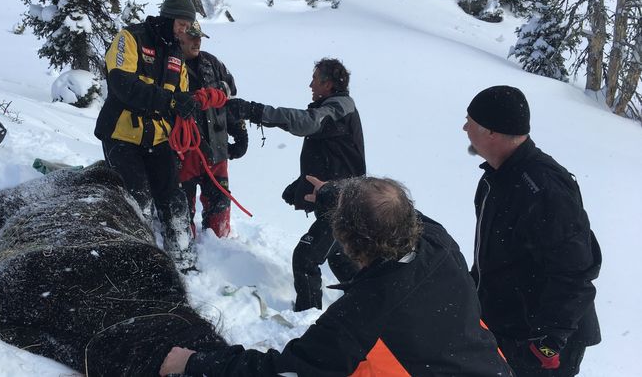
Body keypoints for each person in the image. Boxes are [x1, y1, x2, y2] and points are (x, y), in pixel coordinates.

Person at [159, 176, 513, 377]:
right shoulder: (439, 241)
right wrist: (330, 193)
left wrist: (191, 363)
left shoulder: (362, 315)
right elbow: (384, 207)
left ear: (347, 243)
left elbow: (286, 372)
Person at [463, 85, 602, 376]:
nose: (464, 127)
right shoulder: (497, 177)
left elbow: (575, 272)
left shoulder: (543, 189)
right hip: (507, 324)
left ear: (493, 132)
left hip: (542, 340)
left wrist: (548, 341)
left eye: (471, 122)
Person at [226, 58, 364, 311]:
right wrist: (301, 185)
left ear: (329, 84)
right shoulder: (337, 107)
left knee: (306, 257)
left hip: (341, 203)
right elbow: (334, 157)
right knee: (339, 258)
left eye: (315, 79)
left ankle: (307, 316)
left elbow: (307, 122)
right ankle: (369, 305)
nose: (310, 84)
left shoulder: (337, 109)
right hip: (338, 199)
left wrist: (255, 111)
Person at [94, 0, 199, 271]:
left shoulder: (178, 55)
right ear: (168, 18)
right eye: (181, 24)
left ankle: (183, 258)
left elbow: (182, 94)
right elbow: (121, 83)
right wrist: (169, 100)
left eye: (188, 26)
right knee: (137, 197)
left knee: (174, 197)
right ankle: (132, 258)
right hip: (121, 134)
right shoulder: (130, 38)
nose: (184, 30)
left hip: (159, 137)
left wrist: (186, 106)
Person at [177, 20, 248, 238]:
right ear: (178, 36)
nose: (197, 42)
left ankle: (221, 249)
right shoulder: (169, 64)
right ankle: (184, 252)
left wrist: (240, 131)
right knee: (180, 211)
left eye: (199, 37)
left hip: (216, 149)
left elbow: (230, 98)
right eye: (192, 37)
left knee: (220, 208)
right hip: (184, 151)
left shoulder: (212, 63)